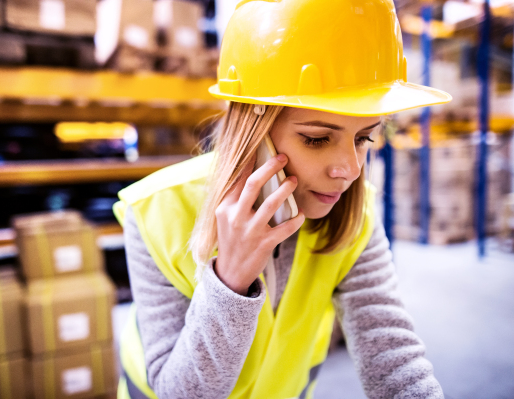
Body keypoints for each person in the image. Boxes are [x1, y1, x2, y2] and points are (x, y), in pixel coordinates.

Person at [114, 0, 452, 398]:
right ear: (252, 134)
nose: (350, 169)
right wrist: (230, 282)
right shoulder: (157, 211)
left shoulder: (356, 214)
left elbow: (394, 358)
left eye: (364, 138)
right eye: (316, 138)